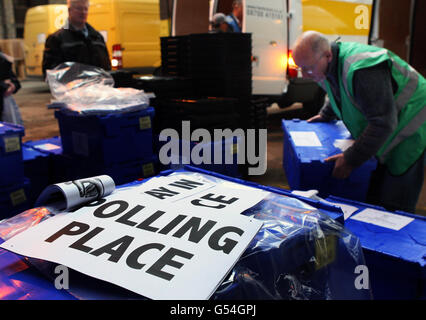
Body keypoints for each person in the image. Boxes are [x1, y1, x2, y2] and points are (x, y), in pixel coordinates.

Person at [292, 30, 426, 213]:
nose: (305, 75)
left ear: (328, 55)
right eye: (300, 69)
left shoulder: (363, 70)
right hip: (390, 121)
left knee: (395, 198)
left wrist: (350, 159)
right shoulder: (328, 64)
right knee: (375, 187)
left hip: (413, 122)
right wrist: (326, 114)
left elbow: (383, 123)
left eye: (308, 69)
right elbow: (338, 88)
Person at [42, 0, 111, 78]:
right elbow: (50, 73)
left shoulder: (97, 37)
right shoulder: (56, 39)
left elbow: (107, 67)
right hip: (71, 89)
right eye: (79, 8)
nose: (83, 12)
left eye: (85, 9)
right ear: (69, 10)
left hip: (98, 88)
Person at [0, 52, 22, 123]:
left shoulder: (3, 59)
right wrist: (4, 86)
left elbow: (15, 81)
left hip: (4, 104)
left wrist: (12, 86)